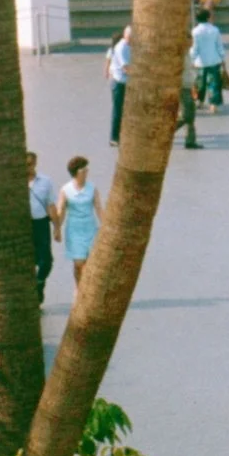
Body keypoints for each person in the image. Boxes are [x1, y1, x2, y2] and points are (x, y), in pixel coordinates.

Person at [56, 156, 102, 284]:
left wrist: (105, 227)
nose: (86, 172)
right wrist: (57, 229)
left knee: (90, 262)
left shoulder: (92, 188)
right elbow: (61, 210)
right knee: (79, 263)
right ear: (76, 172)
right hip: (74, 229)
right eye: (83, 170)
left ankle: (86, 290)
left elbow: (99, 208)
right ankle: (79, 287)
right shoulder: (65, 189)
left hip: (90, 227)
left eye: (87, 170)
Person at [25, 152, 56, 293]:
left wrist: (57, 227)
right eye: (24, 165)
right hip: (23, 226)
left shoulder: (45, 181)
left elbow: (51, 205)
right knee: (28, 260)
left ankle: (39, 282)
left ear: (35, 163)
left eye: (29, 164)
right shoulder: (15, 182)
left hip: (41, 224)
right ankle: (32, 292)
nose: (27, 167)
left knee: (47, 261)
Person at [190, 8, 227, 112]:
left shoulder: (195, 31)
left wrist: (191, 59)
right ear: (208, 18)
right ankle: (213, 104)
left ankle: (199, 101)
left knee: (200, 82)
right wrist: (223, 58)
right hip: (214, 60)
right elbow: (219, 46)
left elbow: (195, 48)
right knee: (214, 83)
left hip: (200, 62)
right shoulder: (215, 30)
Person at [106, 25, 132, 146]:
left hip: (126, 82)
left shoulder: (129, 46)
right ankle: (114, 138)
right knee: (118, 110)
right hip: (119, 83)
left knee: (126, 111)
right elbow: (126, 68)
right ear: (126, 35)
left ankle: (124, 135)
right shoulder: (121, 47)